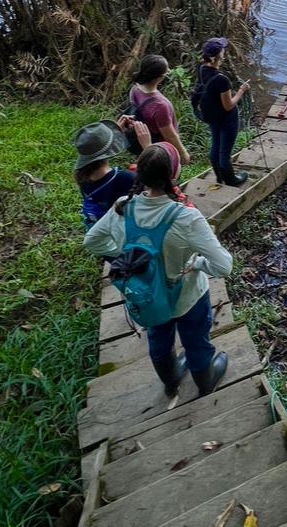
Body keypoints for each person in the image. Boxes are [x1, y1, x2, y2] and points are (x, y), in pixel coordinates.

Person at [83, 144, 232, 397]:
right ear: (173, 174)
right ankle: (205, 382)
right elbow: (223, 266)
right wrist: (196, 264)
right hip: (187, 297)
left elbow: (91, 241)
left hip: (147, 295)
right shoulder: (187, 217)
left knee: (159, 338)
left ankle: (171, 380)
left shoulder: (122, 206)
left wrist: (127, 256)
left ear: (140, 174)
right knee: (196, 340)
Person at [73, 119, 148, 230]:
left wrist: (113, 135)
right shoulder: (126, 178)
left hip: (105, 232)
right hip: (128, 237)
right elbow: (157, 187)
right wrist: (148, 146)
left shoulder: (83, 178)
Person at [195, 37, 250, 187]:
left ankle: (220, 178)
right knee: (225, 151)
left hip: (212, 116)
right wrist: (241, 91)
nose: (225, 53)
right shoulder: (222, 80)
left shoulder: (201, 69)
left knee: (216, 146)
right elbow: (228, 105)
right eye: (223, 51)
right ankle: (232, 180)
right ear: (219, 56)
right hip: (227, 119)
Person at [126, 54, 192, 166]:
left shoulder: (135, 88)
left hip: (141, 138)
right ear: (160, 77)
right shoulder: (161, 105)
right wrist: (183, 153)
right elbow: (169, 136)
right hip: (160, 148)